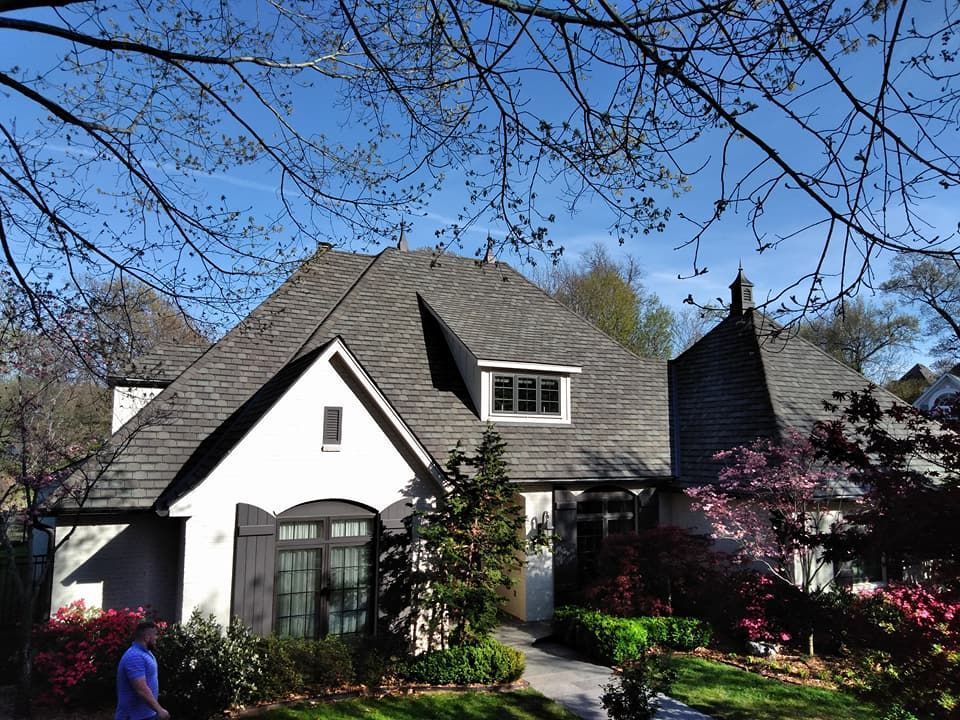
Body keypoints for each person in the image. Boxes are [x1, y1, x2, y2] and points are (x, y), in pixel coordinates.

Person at [115, 620, 170, 720]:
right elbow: (141, 689)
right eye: (155, 635)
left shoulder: (145, 653)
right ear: (146, 637)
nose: (156, 638)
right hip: (133, 716)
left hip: (146, 715)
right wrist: (159, 710)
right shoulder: (135, 656)